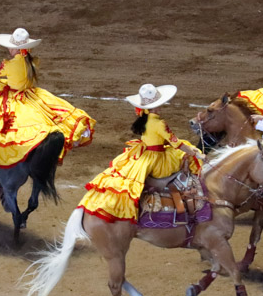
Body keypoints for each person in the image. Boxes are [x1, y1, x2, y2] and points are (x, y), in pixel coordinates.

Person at [0, 28, 94, 169]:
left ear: (16, 49)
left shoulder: (10, 64)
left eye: (11, 47)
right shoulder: (33, 61)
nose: (9, 49)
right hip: (30, 94)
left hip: (13, 95)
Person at [77, 84, 204, 223]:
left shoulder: (145, 120)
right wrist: (195, 153)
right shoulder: (160, 123)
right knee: (186, 155)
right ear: (157, 105)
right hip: (158, 159)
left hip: (145, 155)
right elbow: (177, 144)